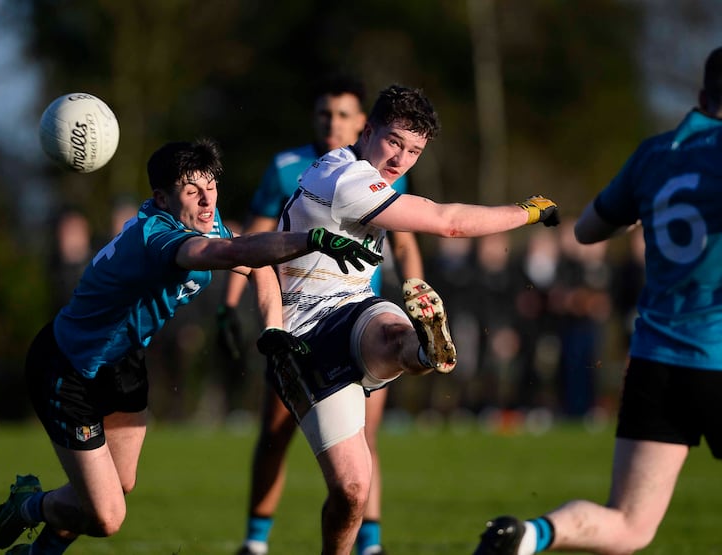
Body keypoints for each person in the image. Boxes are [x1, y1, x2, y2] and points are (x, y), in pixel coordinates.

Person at [0, 139, 381, 555]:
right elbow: (230, 251)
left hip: (123, 362)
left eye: (211, 186)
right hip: (68, 368)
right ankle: (29, 505)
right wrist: (311, 239)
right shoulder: (155, 237)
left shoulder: (202, 223)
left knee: (120, 484)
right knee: (107, 516)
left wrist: (272, 329)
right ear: (162, 197)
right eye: (192, 190)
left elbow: (257, 267)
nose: (207, 199)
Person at [258, 84, 559, 555]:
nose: (401, 159)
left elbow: (414, 233)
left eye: (415, 150)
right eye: (395, 142)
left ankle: (423, 346)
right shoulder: (347, 179)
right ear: (369, 128)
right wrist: (525, 213)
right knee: (353, 490)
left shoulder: (355, 168)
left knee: (393, 329)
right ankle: (420, 349)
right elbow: (448, 221)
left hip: (353, 305)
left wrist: (414, 282)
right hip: (305, 334)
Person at [473, 45, 722, 555]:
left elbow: (587, 229)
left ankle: (532, 535)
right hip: (718, 352)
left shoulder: (655, 154)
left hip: (657, 362)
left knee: (629, 524)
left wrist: (640, 208)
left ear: (700, 96)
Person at [226, 75, 424, 555]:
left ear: (362, 122)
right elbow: (254, 238)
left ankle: (368, 542)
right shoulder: (289, 167)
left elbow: (405, 240)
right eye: (324, 113)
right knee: (276, 430)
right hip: (301, 320)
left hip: (363, 317)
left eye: (342, 114)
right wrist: (232, 303)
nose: (332, 122)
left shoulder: (387, 167)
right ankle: (256, 541)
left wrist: (417, 287)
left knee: (363, 438)